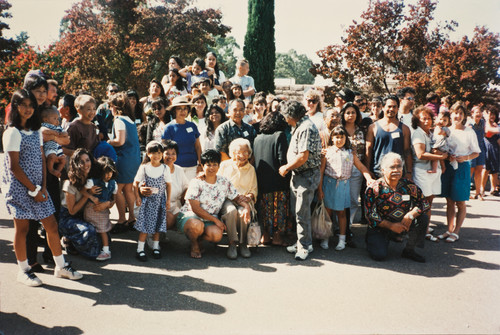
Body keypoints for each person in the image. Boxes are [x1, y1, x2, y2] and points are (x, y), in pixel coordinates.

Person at [1, 89, 83, 286]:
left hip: (39, 188)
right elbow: (14, 166)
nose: (28, 109)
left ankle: (61, 266)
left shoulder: (36, 131)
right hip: (20, 189)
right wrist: (33, 190)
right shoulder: (12, 132)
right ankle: (24, 270)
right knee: (22, 228)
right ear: (15, 107)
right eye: (23, 105)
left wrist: (43, 187)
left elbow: (41, 159)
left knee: (52, 226)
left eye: (31, 105)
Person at [176, 149, 250, 259]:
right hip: (191, 217)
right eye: (208, 164)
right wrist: (216, 220)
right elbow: (195, 208)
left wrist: (246, 207)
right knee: (197, 225)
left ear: (219, 166)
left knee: (216, 235)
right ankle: (194, 244)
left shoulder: (224, 182)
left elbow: (236, 197)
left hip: (209, 219)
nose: (211, 168)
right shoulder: (196, 182)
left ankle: (199, 240)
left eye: (215, 164)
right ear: (202, 165)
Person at [364, 152, 430, 262]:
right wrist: (390, 226)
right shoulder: (374, 188)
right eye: (392, 167)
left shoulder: (408, 185)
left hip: (402, 223)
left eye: (399, 166)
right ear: (383, 170)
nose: (396, 170)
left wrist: (410, 215)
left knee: (423, 218)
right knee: (379, 255)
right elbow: (370, 215)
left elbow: (424, 204)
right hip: (380, 226)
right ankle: (375, 240)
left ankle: (409, 250)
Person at [317, 125, 373, 251]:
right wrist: (320, 189)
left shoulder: (350, 153)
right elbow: (321, 172)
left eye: (341, 137)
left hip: (343, 185)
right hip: (329, 184)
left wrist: (368, 178)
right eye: (336, 137)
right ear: (332, 138)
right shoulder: (327, 152)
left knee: (342, 213)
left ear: (345, 139)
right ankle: (325, 237)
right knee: (328, 212)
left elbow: (361, 167)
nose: (339, 140)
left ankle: (342, 239)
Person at [278, 100, 322, 261]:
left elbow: (303, 157)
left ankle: (303, 247)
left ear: (291, 115)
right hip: (300, 175)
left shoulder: (306, 128)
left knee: (301, 212)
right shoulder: (300, 126)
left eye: (285, 115)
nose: (284, 118)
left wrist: (286, 167)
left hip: (306, 174)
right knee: (299, 211)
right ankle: (304, 242)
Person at [438, 102, 481, 243]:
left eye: (461, 113)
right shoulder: (446, 130)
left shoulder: (469, 131)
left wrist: (466, 157)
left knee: (460, 201)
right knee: (449, 200)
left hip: (462, 167)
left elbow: (476, 152)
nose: (458, 116)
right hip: (448, 166)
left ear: (464, 116)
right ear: (450, 114)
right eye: (455, 113)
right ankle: (449, 229)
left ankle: (456, 231)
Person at [253, 112, 291, 246]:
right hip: (277, 181)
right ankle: (277, 238)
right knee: (277, 211)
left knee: (264, 210)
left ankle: (265, 237)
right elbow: (282, 160)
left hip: (261, 181)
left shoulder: (257, 138)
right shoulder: (279, 136)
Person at [410, 106, 448, 241]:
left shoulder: (430, 133)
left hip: (432, 172)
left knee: (429, 202)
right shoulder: (417, 133)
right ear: (417, 120)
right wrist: (441, 158)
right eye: (423, 119)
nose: (427, 121)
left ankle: (425, 229)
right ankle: (418, 231)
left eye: (429, 118)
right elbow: (420, 155)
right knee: (422, 203)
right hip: (422, 171)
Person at [217, 138, 257, 259]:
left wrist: (249, 197)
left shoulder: (251, 169)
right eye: (239, 152)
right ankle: (232, 243)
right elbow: (219, 184)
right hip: (228, 198)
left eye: (246, 152)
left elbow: (254, 190)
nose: (243, 156)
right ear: (233, 153)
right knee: (231, 211)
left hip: (244, 201)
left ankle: (243, 243)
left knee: (242, 212)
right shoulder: (225, 165)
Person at [107, 92, 141, 233]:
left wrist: (108, 142)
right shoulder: (131, 120)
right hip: (134, 158)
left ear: (116, 107)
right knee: (128, 189)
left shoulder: (119, 120)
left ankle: (121, 219)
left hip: (124, 158)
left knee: (118, 190)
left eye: (111, 107)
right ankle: (132, 218)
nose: (110, 109)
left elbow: (120, 141)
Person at [59, 149, 102, 259]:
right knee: (89, 231)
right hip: (67, 217)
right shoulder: (69, 183)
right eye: (81, 162)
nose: (85, 164)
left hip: (83, 215)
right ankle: (68, 240)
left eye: (87, 160)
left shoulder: (90, 178)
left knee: (102, 236)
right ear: (76, 164)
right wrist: (87, 194)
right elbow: (72, 211)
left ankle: (71, 240)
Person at [134, 141, 171, 261]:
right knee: (145, 226)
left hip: (159, 201)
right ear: (148, 154)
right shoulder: (144, 167)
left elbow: (168, 185)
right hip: (147, 202)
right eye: (154, 153)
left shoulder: (165, 168)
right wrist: (138, 197)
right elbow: (136, 183)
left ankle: (156, 247)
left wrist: (168, 200)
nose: (157, 155)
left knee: (157, 226)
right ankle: (140, 249)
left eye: (159, 153)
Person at [365, 95, 413, 179]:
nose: (391, 109)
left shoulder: (404, 129)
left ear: (398, 108)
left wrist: (409, 172)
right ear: (383, 107)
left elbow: (407, 151)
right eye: (389, 106)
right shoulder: (373, 127)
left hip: (397, 172)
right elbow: (368, 150)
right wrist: (367, 170)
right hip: (378, 172)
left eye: (394, 107)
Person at [82, 156, 117, 261]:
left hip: (103, 211)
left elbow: (114, 199)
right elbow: (82, 190)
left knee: (102, 230)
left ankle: (106, 251)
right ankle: (93, 248)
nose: (108, 175)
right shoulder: (93, 182)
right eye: (105, 172)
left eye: (110, 172)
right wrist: (91, 194)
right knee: (92, 229)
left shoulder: (113, 184)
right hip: (91, 209)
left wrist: (109, 204)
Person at [341, 102, 366, 234]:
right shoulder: (339, 129)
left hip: (357, 169)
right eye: (348, 112)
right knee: (339, 198)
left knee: (353, 199)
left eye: (353, 112)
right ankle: (337, 226)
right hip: (339, 169)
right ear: (343, 114)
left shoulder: (362, 130)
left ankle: (348, 227)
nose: (351, 115)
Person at [162, 96, 201, 181]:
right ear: (174, 111)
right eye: (179, 108)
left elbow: (198, 146)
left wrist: (200, 164)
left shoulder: (192, 125)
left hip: (192, 166)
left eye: (185, 108)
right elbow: (165, 150)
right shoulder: (168, 128)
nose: (183, 111)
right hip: (175, 167)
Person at [162, 140, 189, 227]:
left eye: (173, 153)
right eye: (167, 153)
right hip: (160, 207)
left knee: (188, 220)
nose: (170, 156)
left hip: (176, 206)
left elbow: (187, 188)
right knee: (168, 220)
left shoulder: (179, 169)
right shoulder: (157, 169)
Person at [40, 106, 66, 178]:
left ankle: (57, 171)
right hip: (50, 146)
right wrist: (53, 132)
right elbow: (44, 131)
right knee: (52, 157)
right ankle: (51, 169)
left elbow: (66, 135)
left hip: (58, 148)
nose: (57, 121)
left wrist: (63, 134)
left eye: (58, 119)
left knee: (63, 159)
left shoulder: (58, 127)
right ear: (46, 120)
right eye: (54, 118)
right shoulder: (45, 125)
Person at [468, 105, 487, 200]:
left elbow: (485, 133)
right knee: (470, 170)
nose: (478, 114)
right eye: (476, 112)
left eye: (480, 112)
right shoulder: (469, 124)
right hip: (471, 149)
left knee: (479, 170)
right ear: (472, 114)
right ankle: (466, 192)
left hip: (481, 147)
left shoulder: (483, 122)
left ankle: (478, 193)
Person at [483, 105, 500, 196]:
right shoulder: (485, 124)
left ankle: (493, 188)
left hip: (495, 148)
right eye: (490, 114)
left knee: (494, 170)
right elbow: (488, 132)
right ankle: (481, 189)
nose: (492, 116)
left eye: (494, 114)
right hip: (486, 147)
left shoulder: (495, 125)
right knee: (485, 169)